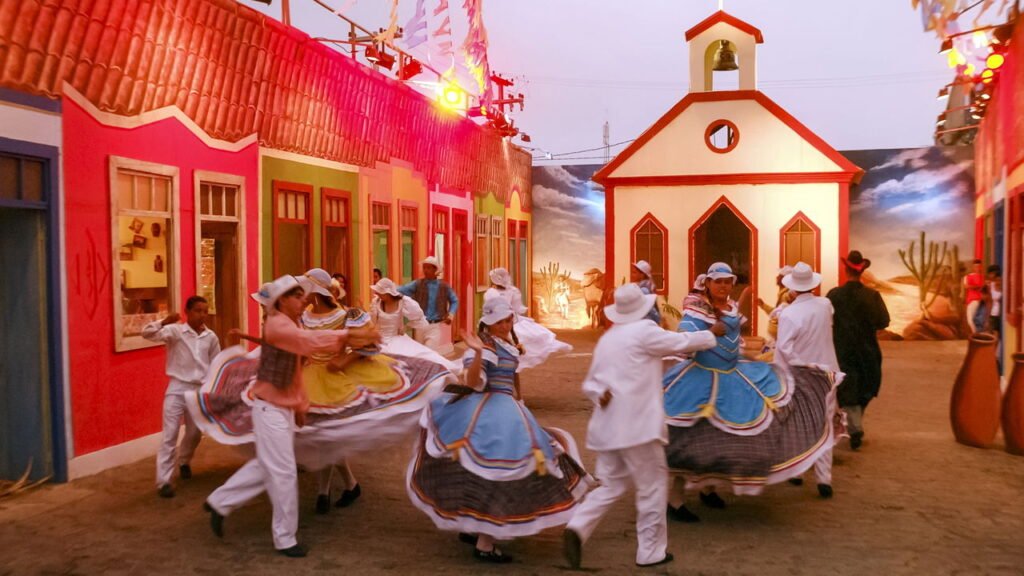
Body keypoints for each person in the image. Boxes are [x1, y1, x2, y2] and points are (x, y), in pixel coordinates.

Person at [407, 299, 594, 564]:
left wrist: (519, 397)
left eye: (508, 320)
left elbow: (511, 374)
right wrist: (478, 353)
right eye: (501, 321)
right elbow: (472, 383)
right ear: (490, 323)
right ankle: (485, 541)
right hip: (490, 413)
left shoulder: (506, 344)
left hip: (508, 410)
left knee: (488, 472)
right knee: (499, 473)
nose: (506, 325)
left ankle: (473, 528)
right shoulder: (484, 346)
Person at [662, 262, 841, 520]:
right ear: (708, 283)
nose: (723, 286)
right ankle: (675, 501)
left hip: (732, 378)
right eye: (718, 281)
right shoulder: (696, 310)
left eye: (727, 282)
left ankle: (708, 488)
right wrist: (711, 332)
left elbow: (733, 340)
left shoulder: (731, 307)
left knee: (722, 439)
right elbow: (685, 341)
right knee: (693, 439)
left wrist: (749, 355)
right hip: (701, 381)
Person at [563, 284, 720, 570]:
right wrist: (711, 335)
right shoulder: (644, 332)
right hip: (638, 428)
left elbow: (591, 384)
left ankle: (578, 525)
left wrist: (601, 394)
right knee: (652, 487)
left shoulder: (609, 339)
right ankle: (650, 551)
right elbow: (681, 342)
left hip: (608, 428)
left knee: (611, 485)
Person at [204, 275, 355, 558]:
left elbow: (295, 373)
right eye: (298, 296)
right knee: (284, 473)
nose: (304, 300)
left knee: (266, 466)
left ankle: (219, 501)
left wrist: (299, 406)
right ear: (282, 300)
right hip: (269, 410)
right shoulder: (278, 325)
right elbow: (309, 342)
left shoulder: (290, 324)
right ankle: (285, 539)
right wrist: (348, 335)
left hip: (277, 409)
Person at [774, 262, 842, 498]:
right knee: (825, 424)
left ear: (791, 289)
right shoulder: (825, 305)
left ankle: (798, 471)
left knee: (799, 423)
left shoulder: (789, 314)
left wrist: (797, 365)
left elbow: (783, 348)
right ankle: (824, 479)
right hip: (828, 372)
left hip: (803, 376)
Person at [142, 296, 221, 498]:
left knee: (195, 434)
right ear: (187, 312)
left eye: (205, 310)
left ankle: (184, 460)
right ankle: (164, 482)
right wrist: (164, 321)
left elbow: (216, 365)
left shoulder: (211, 337)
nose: (202, 315)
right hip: (177, 388)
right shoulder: (175, 331)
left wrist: (213, 392)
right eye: (197, 310)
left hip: (199, 390)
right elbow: (146, 333)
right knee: (170, 434)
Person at [827, 251, 890, 451]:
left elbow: (826, 319)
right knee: (865, 388)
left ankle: (854, 425)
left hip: (842, 350)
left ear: (846, 270)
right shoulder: (872, 296)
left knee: (847, 390)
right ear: (862, 271)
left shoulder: (834, 295)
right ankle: (855, 427)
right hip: (867, 351)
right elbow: (884, 321)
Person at [485, 267, 572, 370]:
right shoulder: (513, 291)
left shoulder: (490, 292)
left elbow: (488, 308)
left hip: (497, 322)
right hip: (511, 320)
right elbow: (517, 308)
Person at [370, 277, 462, 371]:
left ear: (387, 293)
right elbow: (371, 322)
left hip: (397, 338)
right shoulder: (376, 302)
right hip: (380, 341)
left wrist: (406, 327)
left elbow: (417, 317)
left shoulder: (403, 302)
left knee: (423, 355)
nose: (377, 294)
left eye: (380, 292)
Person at [398, 256, 459, 353]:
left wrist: (451, 315)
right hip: (419, 325)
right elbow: (402, 290)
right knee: (420, 354)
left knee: (428, 351)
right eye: (424, 268)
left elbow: (454, 300)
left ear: (435, 269)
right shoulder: (417, 284)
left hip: (434, 326)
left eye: (428, 268)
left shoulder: (444, 286)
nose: (425, 270)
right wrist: (387, 289)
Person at [631, 260, 662, 324]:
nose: (632, 275)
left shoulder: (644, 290)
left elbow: (650, 309)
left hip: (645, 322)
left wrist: (658, 320)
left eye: (634, 273)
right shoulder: (647, 286)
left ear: (642, 274)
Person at [964, 259, 985, 334]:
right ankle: (976, 334)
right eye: (976, 267)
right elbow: (966, 286)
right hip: (970, 300)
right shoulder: (969, 276)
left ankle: (976, 334)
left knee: (971, 320)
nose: (978, 268)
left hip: (976, 300)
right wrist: (976, 286)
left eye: (979, 267)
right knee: (970, 320)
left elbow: (981, 287)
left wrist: (972, 286)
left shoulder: (982, 277)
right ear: (973, 267)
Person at [987, 265, 1002, 337]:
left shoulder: (1003, 286)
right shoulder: (991, 286)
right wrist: (988, 316)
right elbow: (990, 302)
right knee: (995, 334)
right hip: (994, 314)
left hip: (1001, 314)